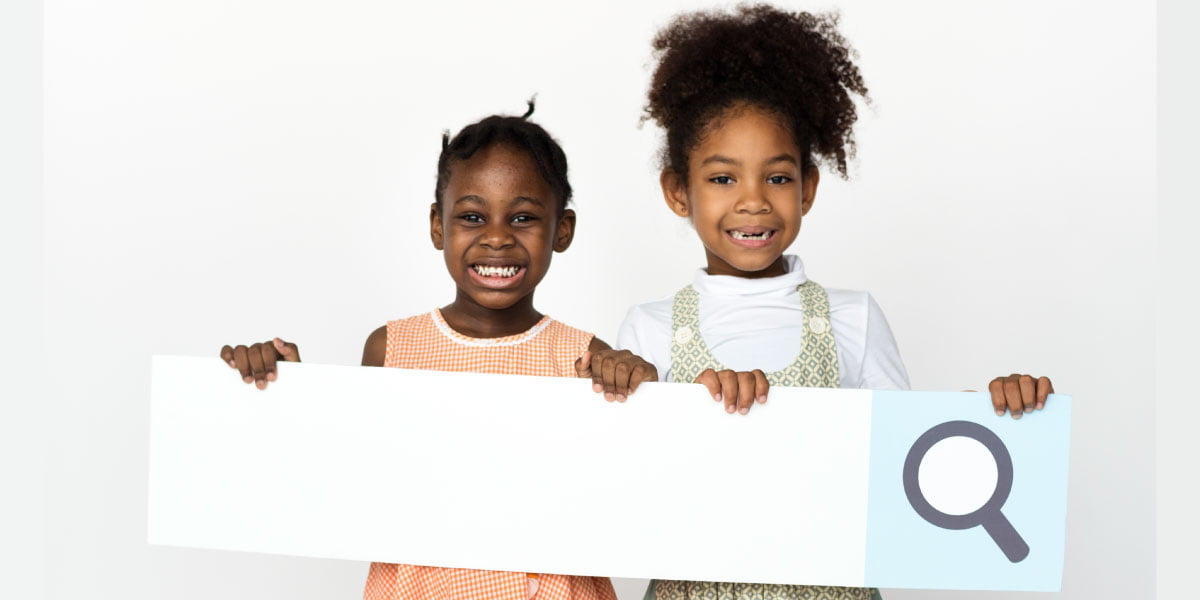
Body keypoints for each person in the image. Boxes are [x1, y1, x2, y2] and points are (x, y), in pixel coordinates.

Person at [617, 5, 1054, 599]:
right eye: (722, 178)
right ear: (677, 191)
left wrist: (998, 416)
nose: (753, 202)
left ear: (808, 187)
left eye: (777, 177)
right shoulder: (648, 329)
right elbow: (630, 486)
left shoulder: (854, 317)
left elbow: (911, 470)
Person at [220, 102, 657, 600]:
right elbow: (349, 478)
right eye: (472, 216)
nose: (497, 237)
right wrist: (292, 393)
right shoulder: (392, 348)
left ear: (562, 229)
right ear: (437, 225)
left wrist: (639, 387)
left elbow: (629, 487)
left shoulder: (584, 357)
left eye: (523, 217)